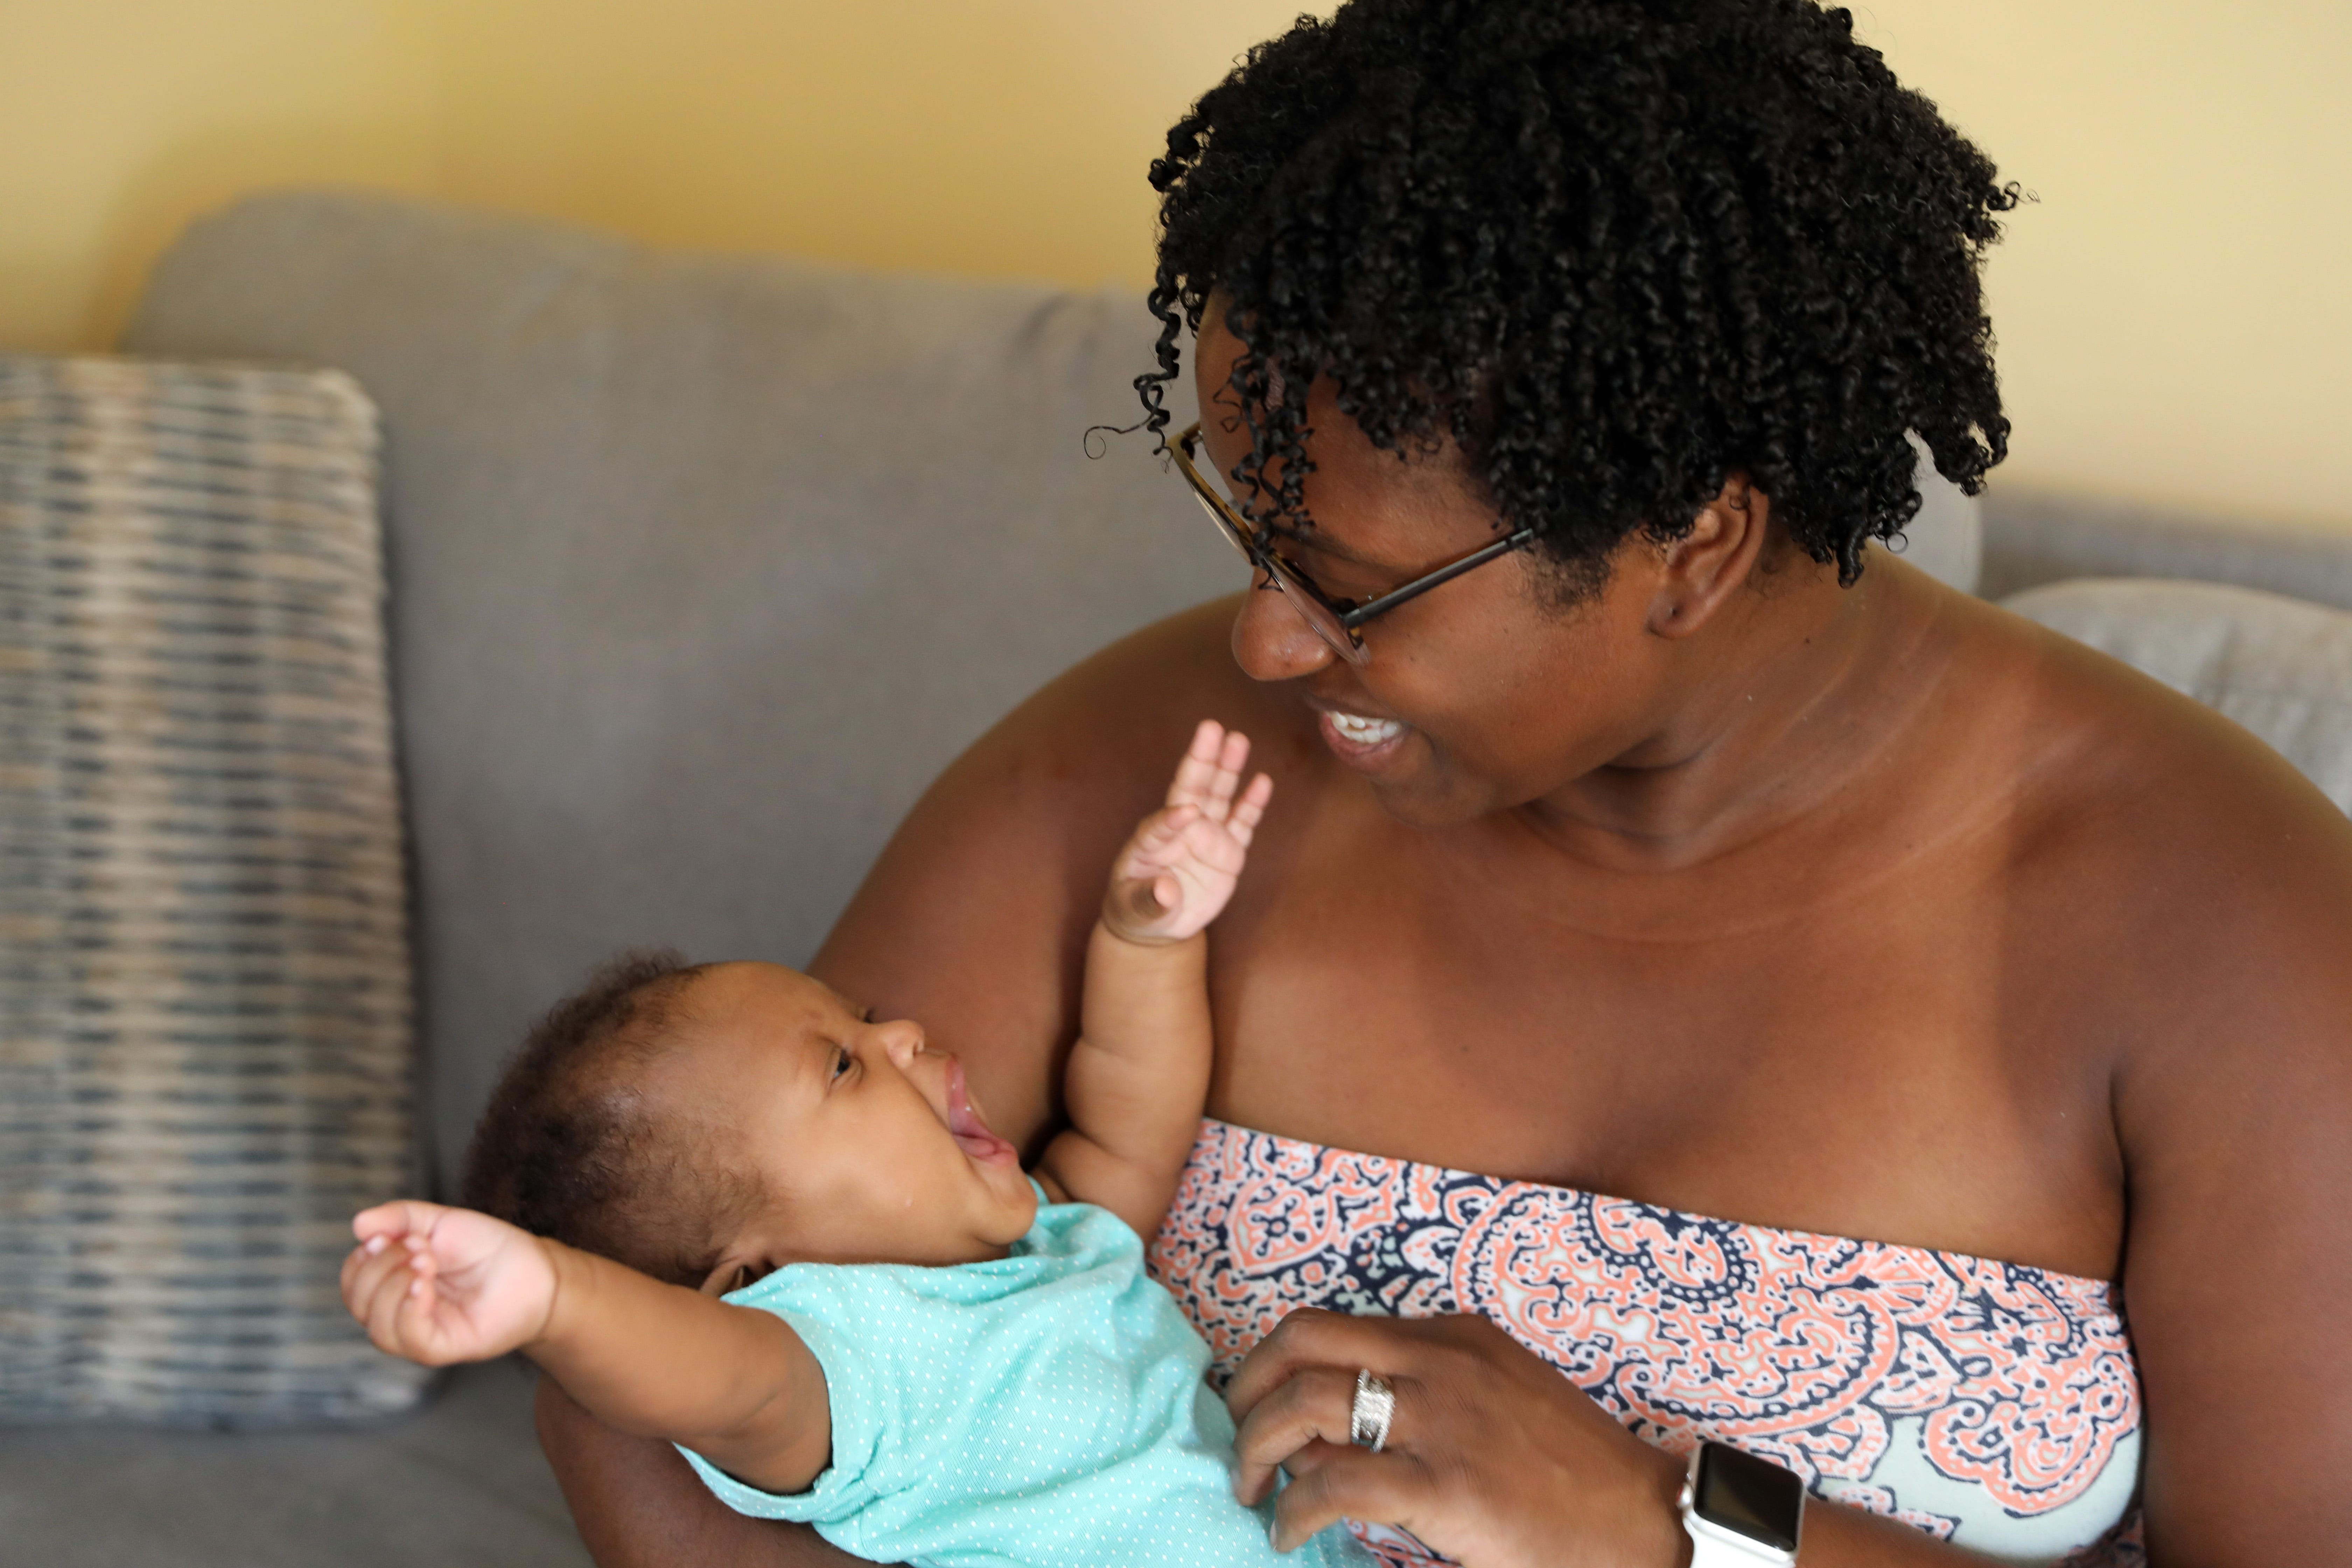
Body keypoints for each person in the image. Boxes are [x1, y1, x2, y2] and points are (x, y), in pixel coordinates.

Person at [536, 1, 2352, 1564]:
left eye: (1343, 584)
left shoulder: (2219, 929)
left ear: (1696, 546)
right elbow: (653, 1300)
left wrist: (1671, 1522)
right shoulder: (1156, 769)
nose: (1256, 643)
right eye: (1246, 528)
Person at [344, 726, 1370, 1567]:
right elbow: (723, 1380)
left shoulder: (1051, 1240)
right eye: (842, 1065)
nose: (902, 1036)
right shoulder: (855, 1362)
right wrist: (555, 1300)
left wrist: (1145, 937)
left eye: (865, 1016)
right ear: (760, 1271)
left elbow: (1127, 1106)